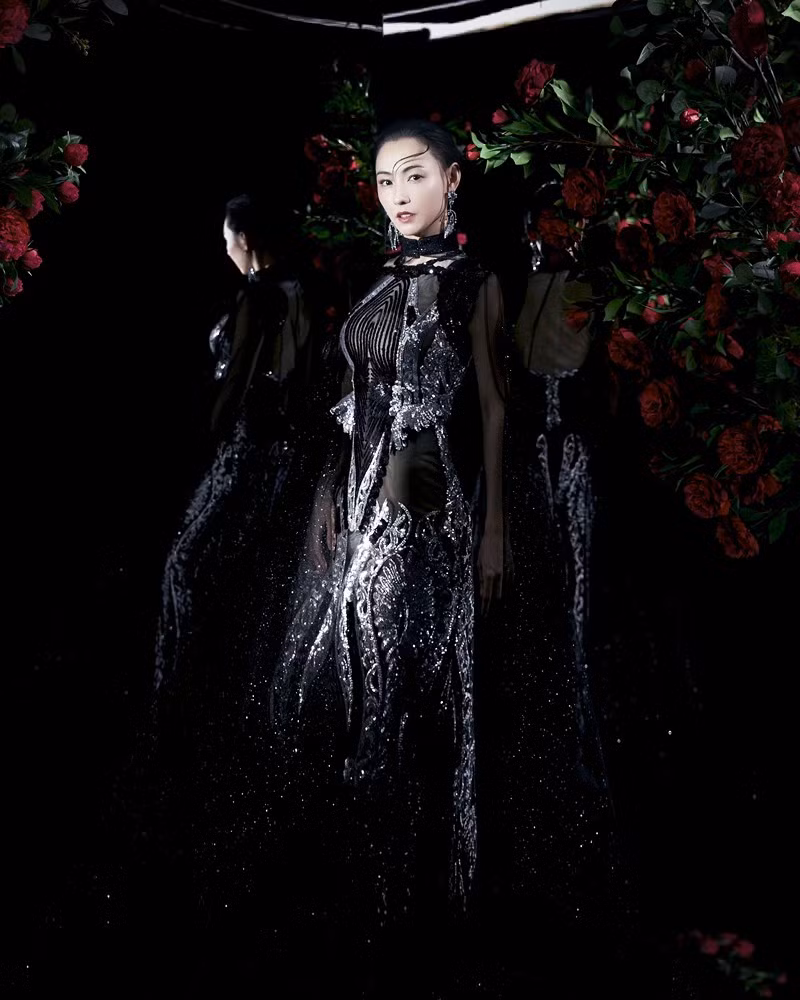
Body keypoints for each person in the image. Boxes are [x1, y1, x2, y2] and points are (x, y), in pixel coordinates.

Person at [259, 118, 508, 994]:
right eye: (384, 181)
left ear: (453, 180)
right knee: (347, 680)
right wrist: (329, 498)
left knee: (400, 688)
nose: (398, 195)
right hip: (361, 497)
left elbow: (492, 408)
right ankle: (362, 890)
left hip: (423, 497)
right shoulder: (376, 279)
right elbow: (350, 398)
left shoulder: (474, 281)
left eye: (414, 176)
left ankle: (403, 906)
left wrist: (494, 529)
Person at [122, 192, 317, 920]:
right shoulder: (302, 293)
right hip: (281, 463)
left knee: (188, 576)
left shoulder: (261, 296)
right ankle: (217, 733)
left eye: (227, 237)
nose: (224, 247)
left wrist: (203, 435)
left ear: (244, 239)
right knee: (240, 590)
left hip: (247, 457)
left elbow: (240, 388)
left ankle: (178, 728)